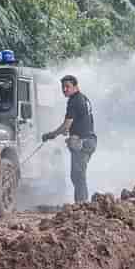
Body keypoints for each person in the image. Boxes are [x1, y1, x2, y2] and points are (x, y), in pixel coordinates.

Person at [42, 75, 97, 203]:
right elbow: (81, 120)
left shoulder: (74, 100)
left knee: (78, 176)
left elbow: (66, 125)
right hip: (90, 141)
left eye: (67, 87)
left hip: (82, 142)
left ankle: (81, 205)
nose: (64, 90)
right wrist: (71, 130)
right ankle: (82, 204)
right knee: (77, 175)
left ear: (76, 86)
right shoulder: (83, 98)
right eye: (63, 87)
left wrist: (51, 135)